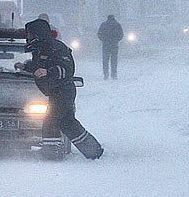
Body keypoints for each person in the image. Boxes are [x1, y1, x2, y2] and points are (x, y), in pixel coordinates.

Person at [15, 18, 103, 160]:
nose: (28, 37)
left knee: (51, 121)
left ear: (37, 33)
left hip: (63, 91)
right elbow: (40, 66)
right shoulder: (40, 48)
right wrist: (26, 67)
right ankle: (93, 151)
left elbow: (67, 69)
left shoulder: (56, 47)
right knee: (67, 123)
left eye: (30, 33)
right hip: (55, 92)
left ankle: (51, 153)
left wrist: (49, 72)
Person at [97, 14, 124, 80]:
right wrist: (116, 40)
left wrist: (104, 40)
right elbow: (121, 35)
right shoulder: (117, 25)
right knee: (114, 61)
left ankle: (106, 74)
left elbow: (99, 34)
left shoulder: (103, 25)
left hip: (105, 45)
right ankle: (114, 75)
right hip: (114, 45)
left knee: (105, 60)